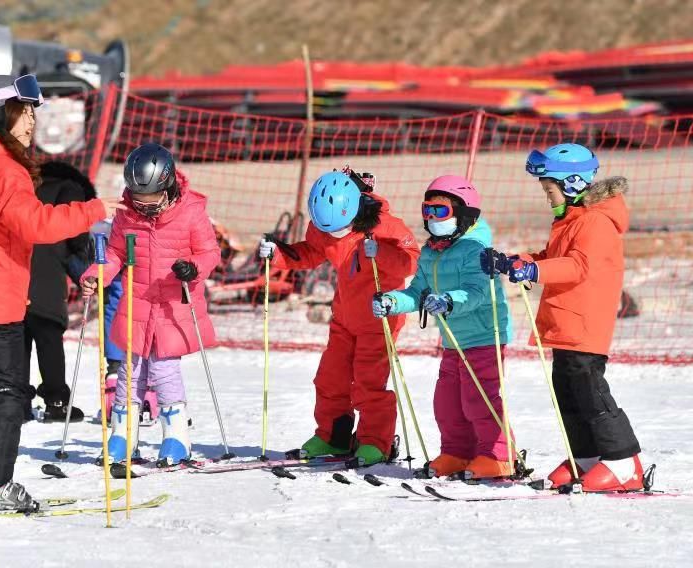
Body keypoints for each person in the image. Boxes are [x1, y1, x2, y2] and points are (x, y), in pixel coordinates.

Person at [0, 74, 123, 512]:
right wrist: (93, 210)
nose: (33, 118)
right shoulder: (1, 167)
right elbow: (35, 224)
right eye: (25, 109)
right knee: (4, 392)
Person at [484, 143, 643, 492]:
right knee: (566, 391)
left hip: (585, 322)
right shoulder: (570, 220)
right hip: (565, 323)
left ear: (571, 184)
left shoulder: (596, 222)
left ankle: (622, 462)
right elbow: (552, 257)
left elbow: (577, 266)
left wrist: (532, 269)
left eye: (549, 189)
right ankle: (584, 458)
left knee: (590, 391)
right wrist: (514, 261)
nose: (546, 196)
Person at [259, 167, 420, 465]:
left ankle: (375, 442)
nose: (334, 236)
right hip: (344, 316)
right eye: (328, 230)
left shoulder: (386, 227)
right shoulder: (323, 228)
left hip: (379, 315)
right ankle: (333, 436)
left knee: (368, 382)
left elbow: (412, 263)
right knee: (331, 378)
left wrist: (381, 254)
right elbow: (310, 252)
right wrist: (278, 254)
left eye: (340, 229)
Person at [81, 143, 220, 466]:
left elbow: (210, 253)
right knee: (130, 369)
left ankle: (176, 438)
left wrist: (194, 267)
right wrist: (96, 275)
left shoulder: (191, 211)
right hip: (139, 300)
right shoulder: (127, 214)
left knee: (163, 369)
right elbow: (114, 254)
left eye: (151, 203)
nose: (144, 209)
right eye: (138, 203)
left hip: (174, 303)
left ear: (168, 186)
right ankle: (122, 436)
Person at [372, 175, 515, 479]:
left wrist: (449, 301)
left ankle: (498, 455)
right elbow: (416, 294)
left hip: (484, 336)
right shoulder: (432, 251)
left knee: (478, 399)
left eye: (440, 212)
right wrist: (392, 302)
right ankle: (457, 452)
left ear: (463, 213)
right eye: (427, 211)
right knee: (447, 402)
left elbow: (478, 293)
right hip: (453, 340)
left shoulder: (476, 249)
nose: (431, 219)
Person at [23, 161, 97, 423]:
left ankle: (17, 401)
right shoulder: (71, 189)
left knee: (18, 340)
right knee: (49, 338)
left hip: (16, 269)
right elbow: (76, 234)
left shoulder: (27, 185)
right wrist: (83, 259)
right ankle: (57, 401)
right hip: (47, 271)